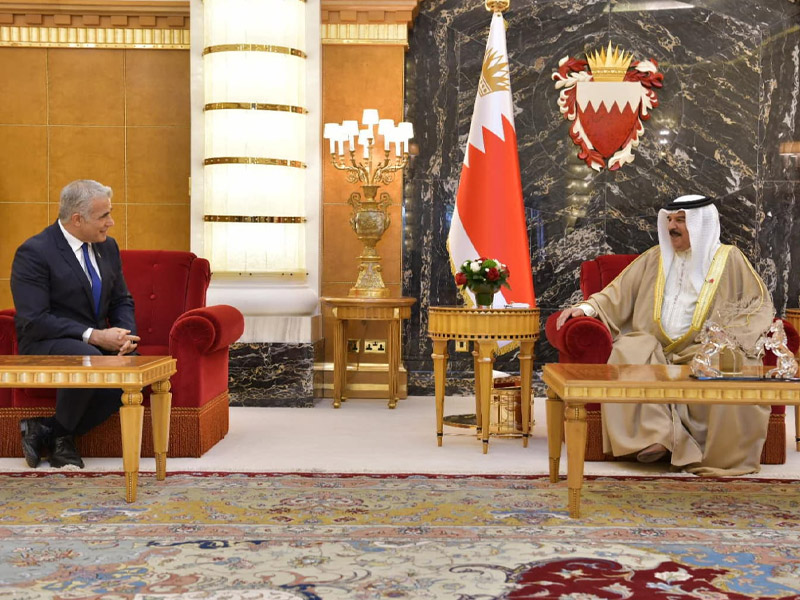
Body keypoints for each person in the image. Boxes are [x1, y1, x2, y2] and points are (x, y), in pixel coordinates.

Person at [555, 194, 774, 476]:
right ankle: (656, 437)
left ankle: (717, 456)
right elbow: (616, 293)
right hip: (656, 347)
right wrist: (587, 308)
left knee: (727, 363)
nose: (672, 227)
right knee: (627, 349)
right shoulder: (656, 257)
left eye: (681, 220)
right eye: (669, 220)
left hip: (703, 349)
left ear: (701, 224)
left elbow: (757, 304)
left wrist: (729, 337)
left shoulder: (728, 259)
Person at [11, 179, 139, 469]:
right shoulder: (34, 252)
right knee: (89, 358)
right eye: (103, 216)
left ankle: (51, 432)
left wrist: (125, 336)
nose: (111, 222)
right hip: (45, 341)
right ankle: (61, 440)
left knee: (132, 364)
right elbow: (34, 320)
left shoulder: (108, 247)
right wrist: (94, 336)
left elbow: (122, 300)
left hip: (94, 340)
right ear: (77, 219)